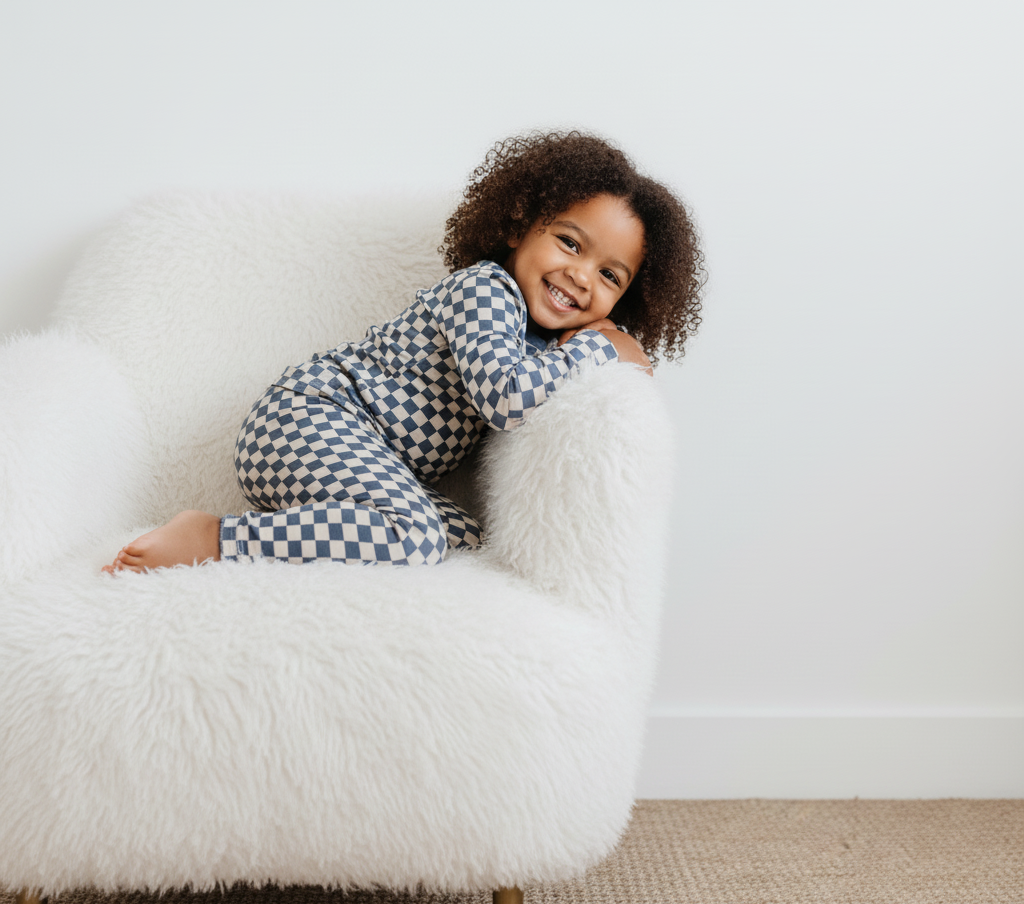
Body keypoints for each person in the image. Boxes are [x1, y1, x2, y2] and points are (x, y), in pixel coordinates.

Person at [102, 131, 704, 574]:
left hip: (351, 461)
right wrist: (600, 349)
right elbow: (505, 400)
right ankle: (214, 537)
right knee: (414, 538)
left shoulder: (537, 343)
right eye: (569, 242)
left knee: (469, 539)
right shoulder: (486, 290)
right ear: (521, 224)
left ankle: (277, 537)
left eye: (610, 276)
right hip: (310, 419)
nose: (580, 276)